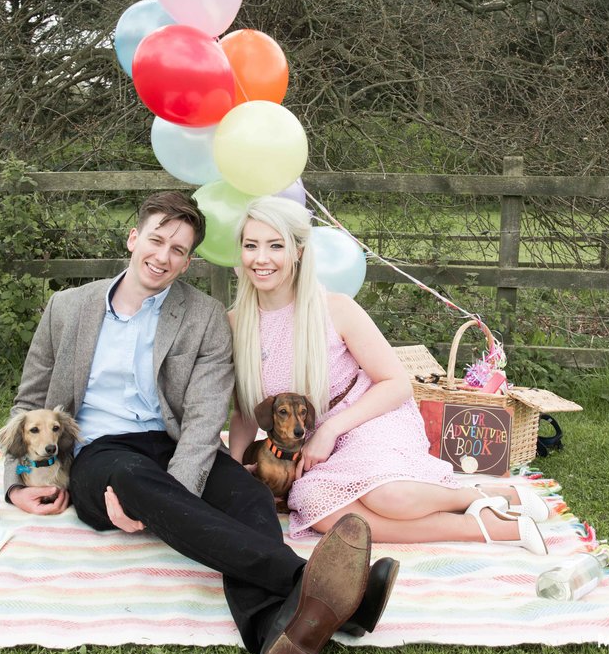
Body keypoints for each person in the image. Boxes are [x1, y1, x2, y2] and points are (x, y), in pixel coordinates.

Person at [0, 191, 398, 654]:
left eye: (179, 249)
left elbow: (207, 417)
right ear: (133, 238)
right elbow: (27, 402)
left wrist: (175, 498)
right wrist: (16, 484)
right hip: (100, 454)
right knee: (135, 478)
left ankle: (279, 639)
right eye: (156, 240)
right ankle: (320, 586)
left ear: (188, 263)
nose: (163, 256)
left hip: (171, 443)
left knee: (251, 492)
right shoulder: (67, 308)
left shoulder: (204, 317)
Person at [228, 196, 549, 554]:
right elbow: (243, 410)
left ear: (299, 251)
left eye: (275, 246)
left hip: (367, 419)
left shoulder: (335, 308)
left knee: (387, 496)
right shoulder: (235, 323)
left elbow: (396, 384)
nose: (261, 258)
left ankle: (490, 495)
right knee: (320, 510)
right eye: (250, 245)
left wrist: (332, 428)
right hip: (309, 444)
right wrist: (235, 465)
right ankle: (489, 527)